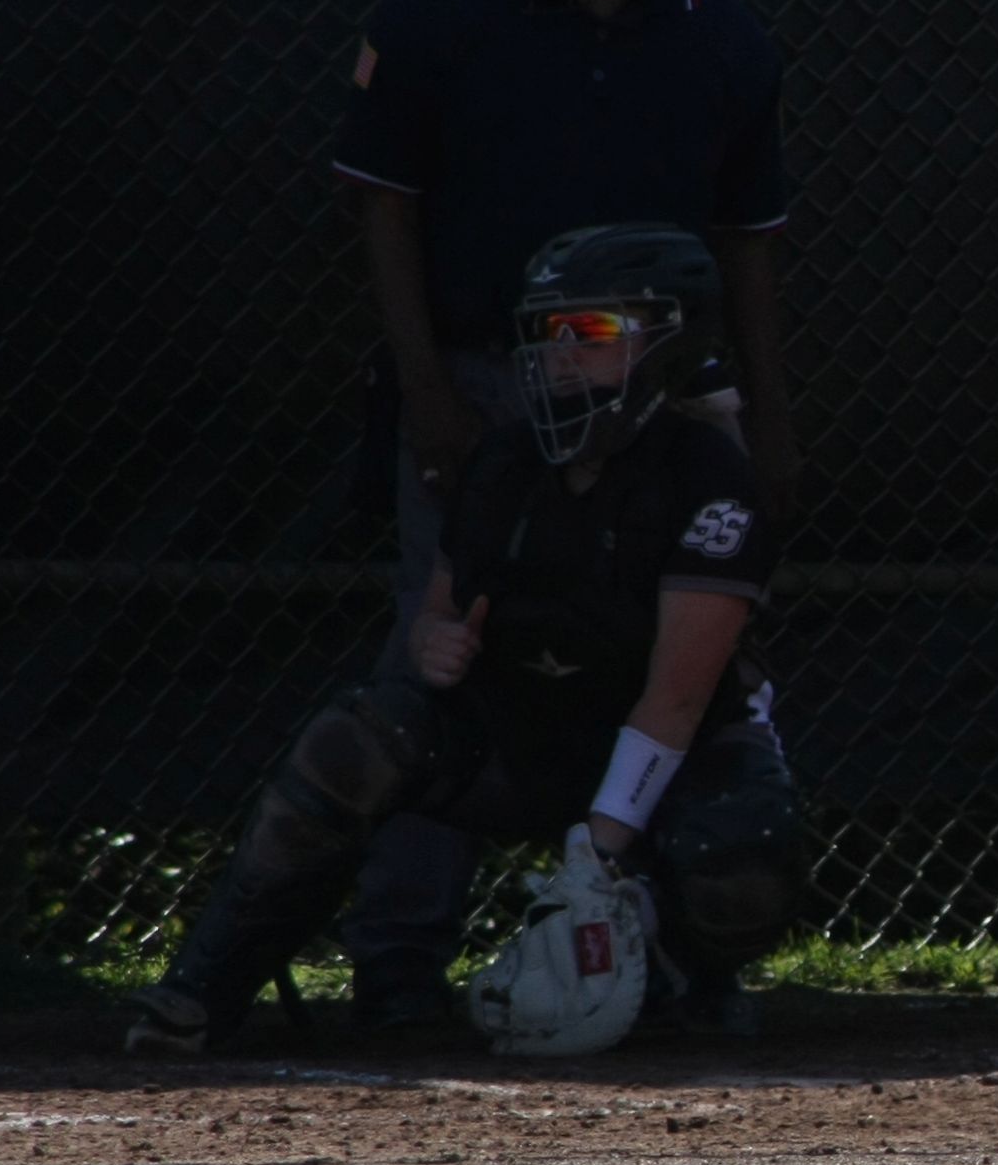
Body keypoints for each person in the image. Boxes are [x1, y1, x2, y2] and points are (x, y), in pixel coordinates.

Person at [322, 0, 795, 1030]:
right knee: (440, 658)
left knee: (692, 664)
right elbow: (383, 209)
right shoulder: (436, 19)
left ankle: (670, 950)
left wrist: (764, 413)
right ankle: (397, 962)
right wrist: (430, 392)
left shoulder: (716, 33)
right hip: (489, 379)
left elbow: (747, 240)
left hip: (667, 389)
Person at [125, 227, 797, 1057]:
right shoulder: (506, 460)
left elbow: (679, 699)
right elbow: (437, 618)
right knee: (355, 745)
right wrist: (435, 645)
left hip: (662, 761)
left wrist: (596, 858)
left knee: (739, 852)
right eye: (546, 332)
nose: (559, 355)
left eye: (590, 331)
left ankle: (684, 980)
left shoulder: (710, 475)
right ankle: (204, 990)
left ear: (668, 339)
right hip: (523, 735)